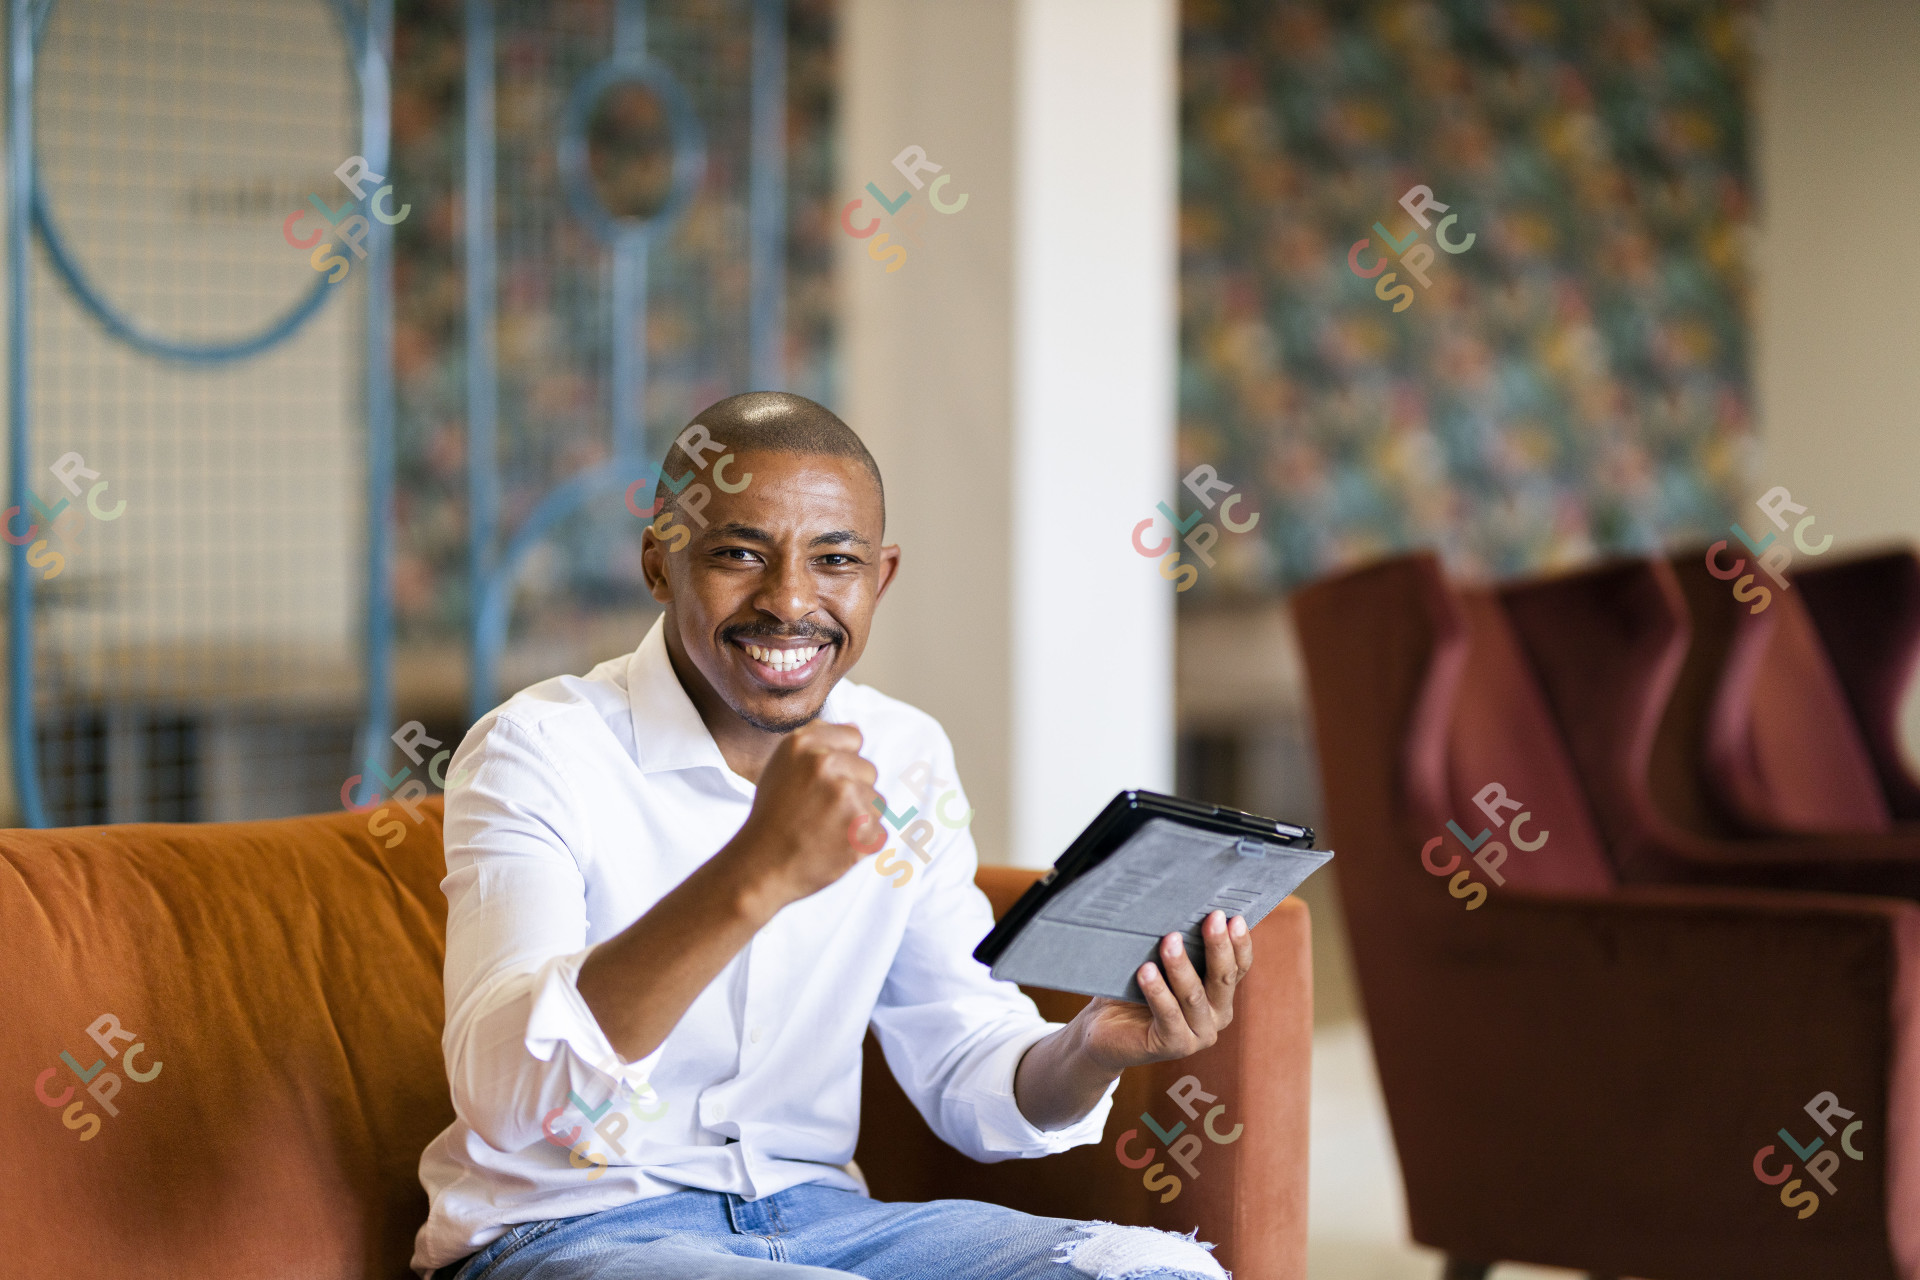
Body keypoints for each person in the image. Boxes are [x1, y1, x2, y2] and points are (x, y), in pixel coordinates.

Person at [413, 392, 1253, 1280]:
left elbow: (963, 1047)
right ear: (660, 565)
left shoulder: (904, 754)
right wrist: (755, 873)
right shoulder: (537, 750)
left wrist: (1087, 1050)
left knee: (1162, 1275)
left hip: (824, 1226)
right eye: (740, 554)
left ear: (879, 577)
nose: (789, 603)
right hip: (574, 1229)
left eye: (834, 561)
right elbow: (510, 1098)